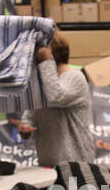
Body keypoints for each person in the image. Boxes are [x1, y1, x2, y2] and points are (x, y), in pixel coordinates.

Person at [19, 33, 94, 167]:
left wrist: (45, 60)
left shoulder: (75, 77)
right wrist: (25, 127)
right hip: (47, 164)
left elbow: (54, 96)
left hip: (76, 164)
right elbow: (29, 115)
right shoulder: (41, 82)